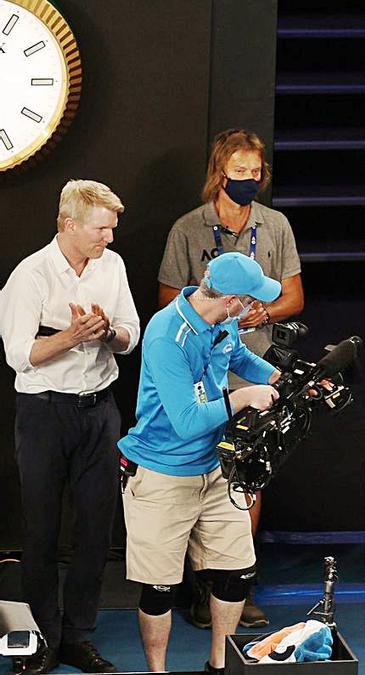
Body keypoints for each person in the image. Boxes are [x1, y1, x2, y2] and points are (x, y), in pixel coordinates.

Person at [157, 128, 304, 628]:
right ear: (220, 172)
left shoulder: (275, 225)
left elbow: (292, 297)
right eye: (239, 171)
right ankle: (200, 586)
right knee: (199, 475)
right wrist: (215, 316)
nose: (249, 179)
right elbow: (167, 303)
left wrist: (260, 316)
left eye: (255, 171)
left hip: (252, 367)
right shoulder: (188, 229)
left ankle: (235, 583)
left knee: (246, 479)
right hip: (199, 374)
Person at [119, 252, 282, 674]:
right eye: (249, 300)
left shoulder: (221, 319)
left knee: (236, 574)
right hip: (161, 474)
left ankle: (220, 665)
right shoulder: (165, 336)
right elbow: (187, 421)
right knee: (159, 589)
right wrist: (244, 397)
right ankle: (158, 670)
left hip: (214, 471)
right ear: (230, 299)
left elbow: (239, 358)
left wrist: (279, 378)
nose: (252, 308)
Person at [0, 180, 139, 674]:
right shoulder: (29, 276)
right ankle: (44, 638)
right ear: (69, 225)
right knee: (41, 531)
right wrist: (70, 337)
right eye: (102, 228)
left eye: (112, 229)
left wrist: (108, 333)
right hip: (44, 414)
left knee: (96, 530)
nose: (110, 238)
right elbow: (20, 355)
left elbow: (130, 334)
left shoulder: (112, 266)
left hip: (100, 412)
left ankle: (79, 635)